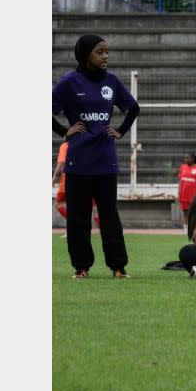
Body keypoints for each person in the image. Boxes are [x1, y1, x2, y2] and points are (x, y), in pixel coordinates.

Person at [52, 33, 140, 279]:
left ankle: (118, 267)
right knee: (78, 219)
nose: (105, 56)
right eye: (99, 52)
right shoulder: (70, 82)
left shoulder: (111, 82)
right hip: (78, 162)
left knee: (109, 216)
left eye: (107, 52)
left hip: (105, 161)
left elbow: (133, 108)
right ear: (85, 54)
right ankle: (81, 268)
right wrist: (65, 132)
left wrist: (120, 131)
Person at [177, 152, 196, 234]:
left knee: (193, 212)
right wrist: (178, 192)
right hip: (184, 194)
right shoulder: (183, 167)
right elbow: (180, 181)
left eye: (188, 158)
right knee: (185, 212)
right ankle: (185, 228)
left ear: (193, 159)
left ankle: (194, 228)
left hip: (193, 195)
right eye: (185, 158)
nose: (186, 159)